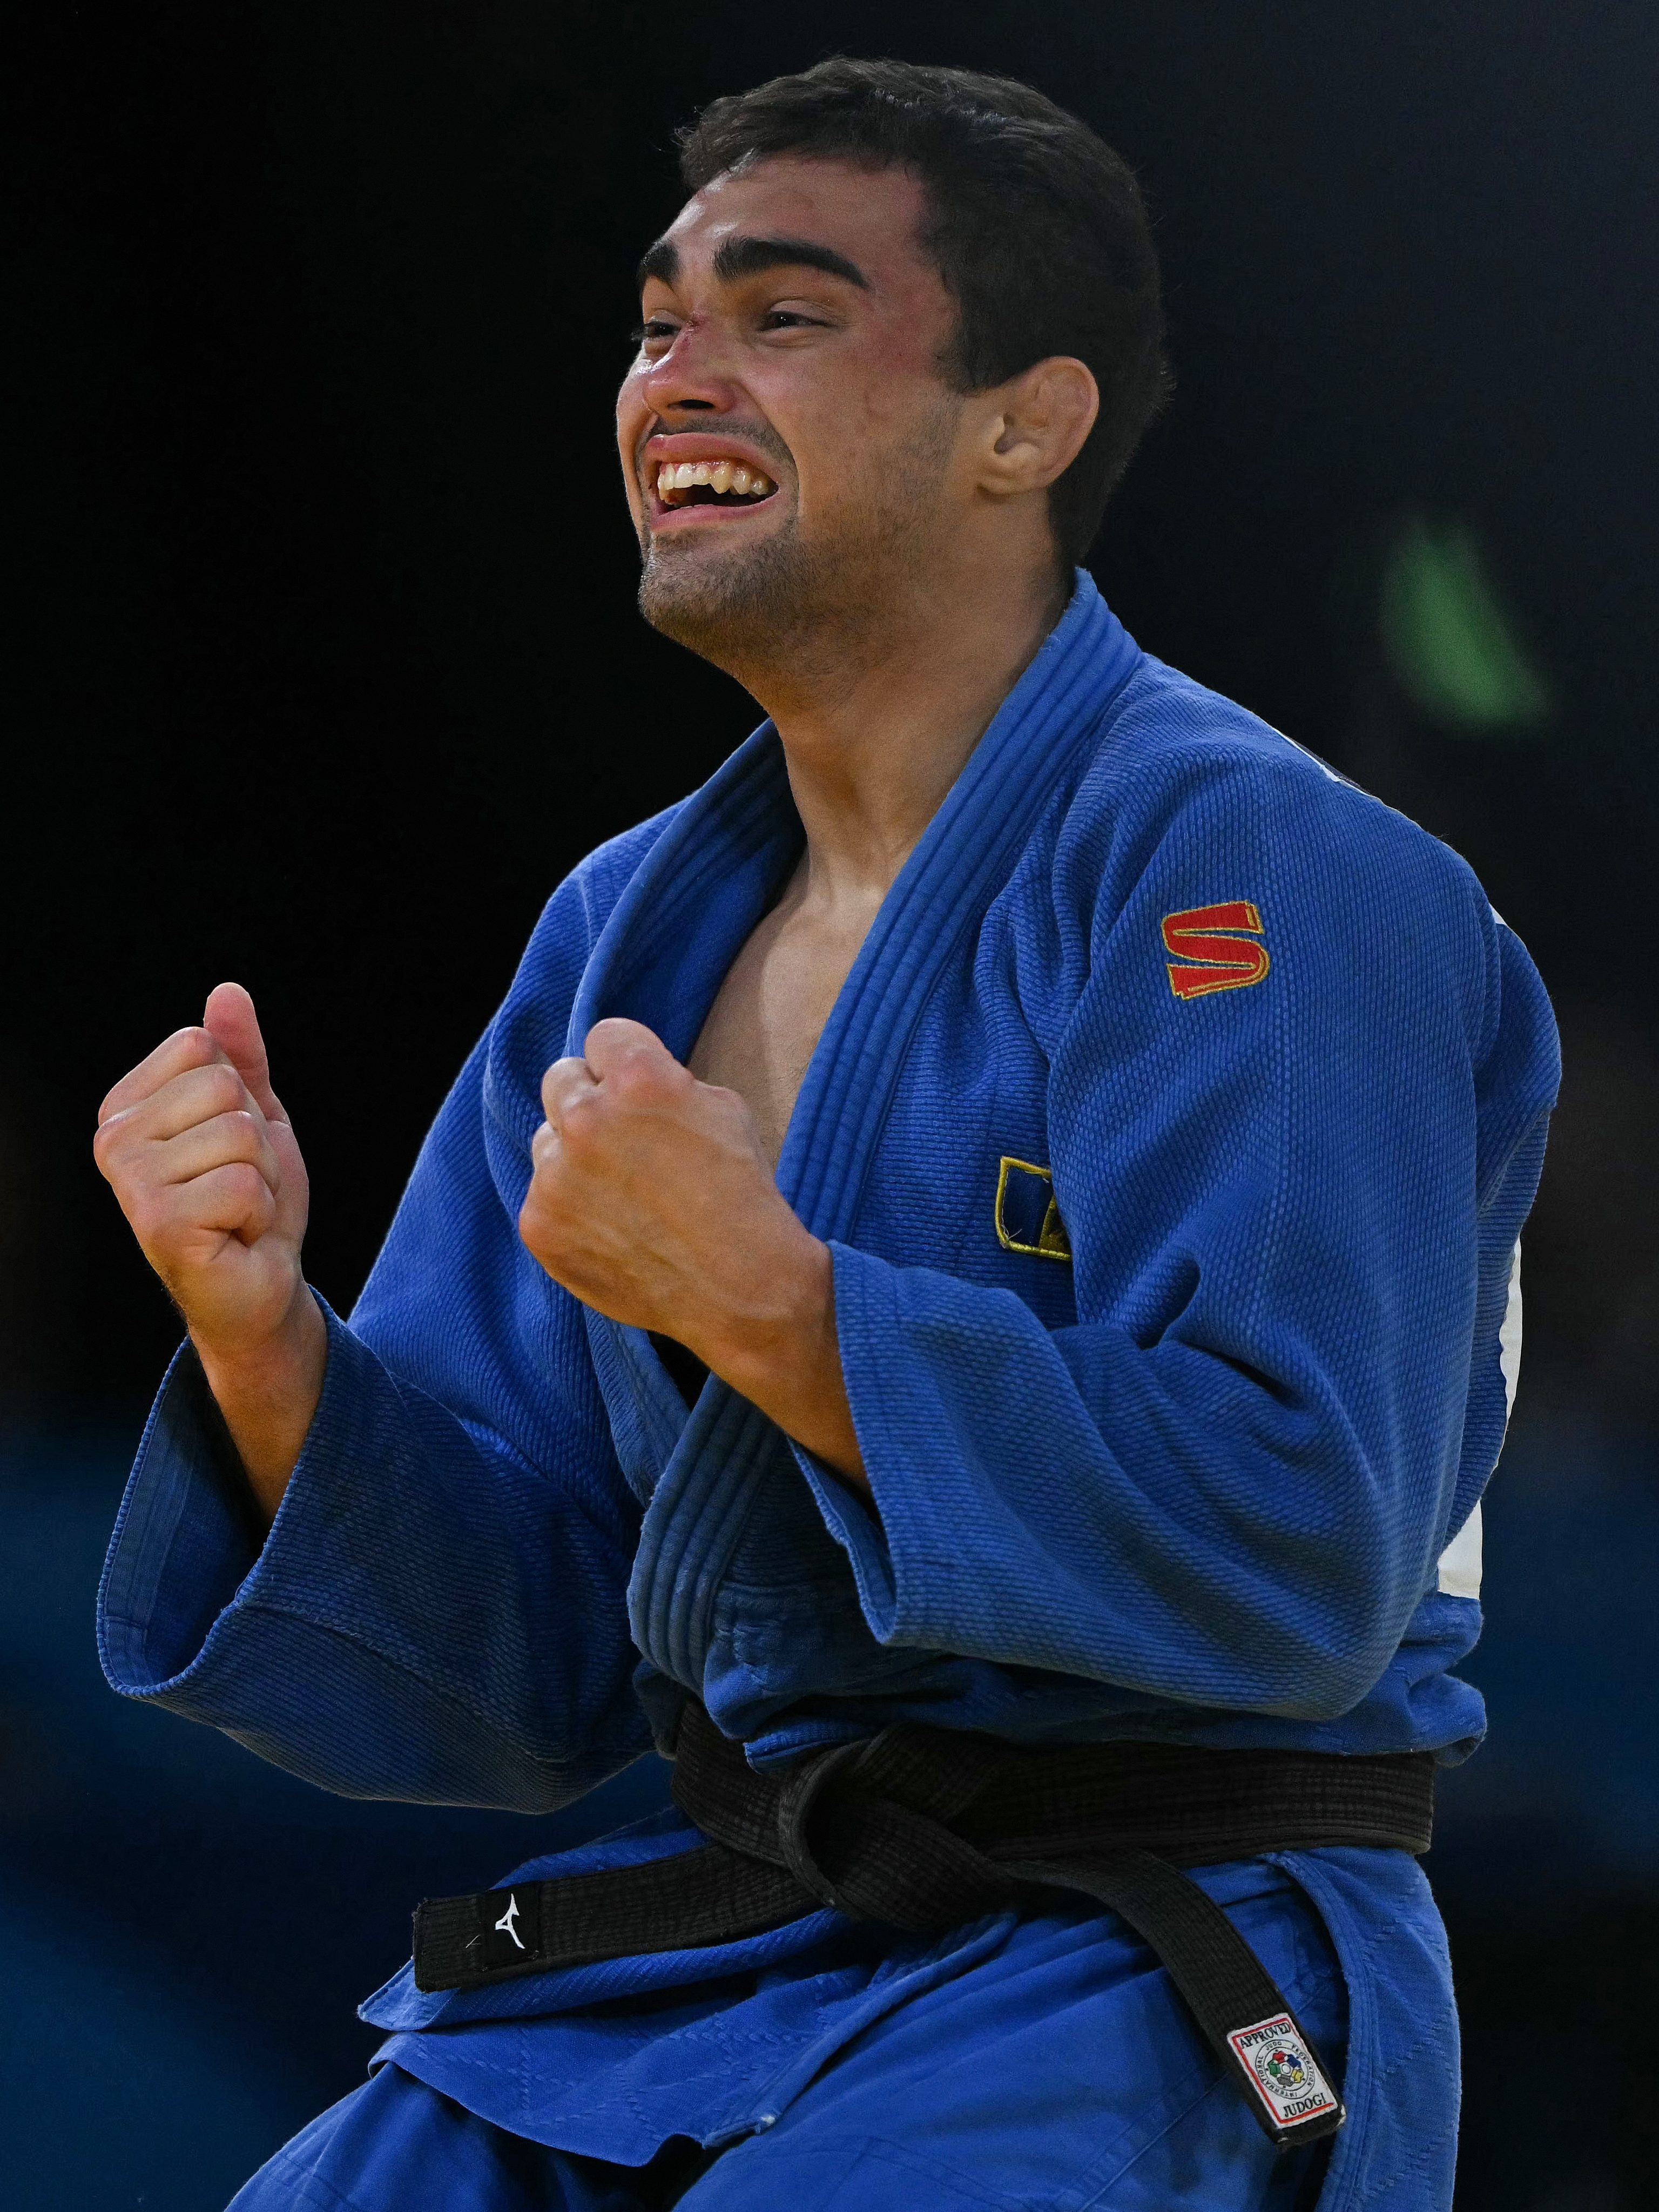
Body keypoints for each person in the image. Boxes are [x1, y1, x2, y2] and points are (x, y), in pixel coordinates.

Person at [91, 57, 1559, 2212]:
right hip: (758, 1944)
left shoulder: (1257, 874)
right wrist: (264, 1343)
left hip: (1151, 1967)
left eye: (780, 313)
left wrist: (770, 1303)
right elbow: (536, 1667)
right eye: (658, 315)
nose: (677, 366)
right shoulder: (631, 932)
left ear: (1021, 424)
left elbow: (1301, 1545)